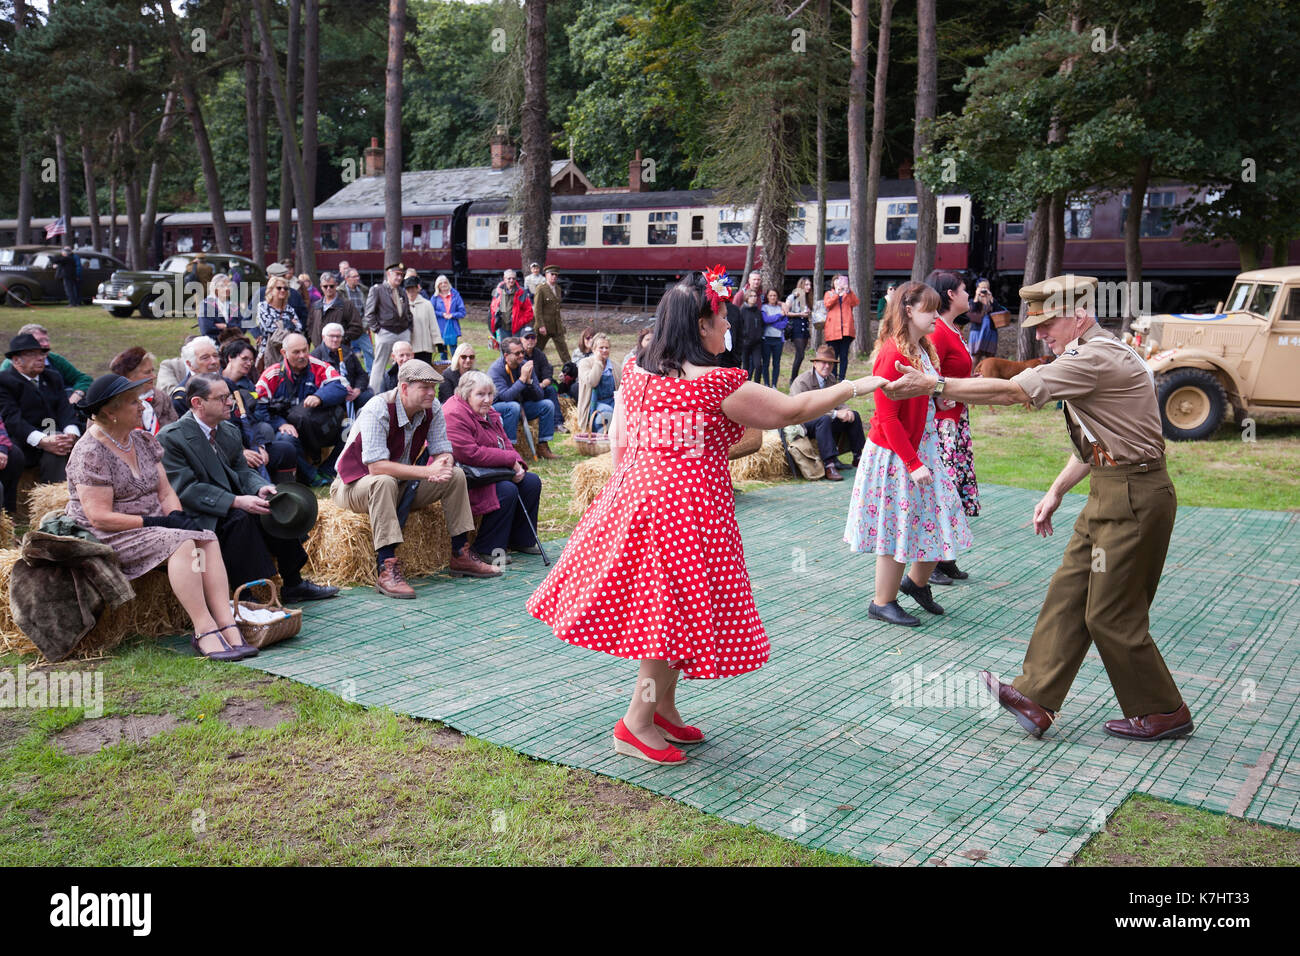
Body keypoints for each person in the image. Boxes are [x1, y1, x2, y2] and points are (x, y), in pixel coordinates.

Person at [526, 268, 886, 765]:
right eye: (722, 319)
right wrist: (856, 385)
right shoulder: (717, 383)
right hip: (685, 511)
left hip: (644, 498)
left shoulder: (637, 368)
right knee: (668, 620)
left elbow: (622, 439)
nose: (728, 328)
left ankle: (663, 710)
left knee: (672, 614)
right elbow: (792, 408)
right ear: (700, 326)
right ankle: (635, 723)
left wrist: (628, 480)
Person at [885, 274, 1194, 742]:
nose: (1040, 333)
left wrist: (936, 384)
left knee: (1111, 613)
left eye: (1050, 323)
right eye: (1038, 324)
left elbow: (1014, 391)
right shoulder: (1093, 351)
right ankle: (1036, 698)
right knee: (1069, 592)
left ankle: (1163, 711)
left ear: (1080, 315)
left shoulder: (1092, 357)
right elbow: (1101, 440)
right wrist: (1056, 491)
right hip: (1114, 489)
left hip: (1134, 496)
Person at [64, 374, 252, 661]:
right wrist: (159, 524)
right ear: (110, 413)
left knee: (207, 537)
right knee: (181, 543)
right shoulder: (90, 452)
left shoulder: (141, 440)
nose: (142, 407)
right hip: (109, 534)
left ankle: (226, 623)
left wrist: (176, 516)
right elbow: (99, 517)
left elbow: (165, 492)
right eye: (133, 402)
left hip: (150, 526)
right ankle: (204, 630)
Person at [845, 281, 972, 628]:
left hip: (923, 446)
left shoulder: (923, 348)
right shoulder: (893, 352)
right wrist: (912, 463)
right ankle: (881, 601)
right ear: (909, 311)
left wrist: (939, 402)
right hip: (897, 453)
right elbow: (886, 418)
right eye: (929, 309)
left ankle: (916, 584)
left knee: (940, 515)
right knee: (896, 525)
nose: (935, 315)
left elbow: (924, 393)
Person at [159, 373, 339, 602]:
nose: (230, 403)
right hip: (200, 511)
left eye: (229, 396)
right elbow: (186, 490)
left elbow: (243, 470)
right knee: (239, 519)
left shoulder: (228, 430)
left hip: (231, 502)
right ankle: (245, 594)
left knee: (272, 505)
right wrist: (235, 501)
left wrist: (260, 488)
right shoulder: (172, 438)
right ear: (197, 403)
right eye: (222, 398)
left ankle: (293, 582)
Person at [331, 359, 501, 597]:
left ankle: (460, 553)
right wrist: (428, 471)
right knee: (384, 481)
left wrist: (444, 462)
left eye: (433, 387)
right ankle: (387, 566)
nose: (431, 393)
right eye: (424, 387)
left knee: (456, 475)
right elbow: (376, 468)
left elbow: (442, 449)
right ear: (404, 388)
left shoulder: (433, 407)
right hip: (352, 486)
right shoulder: (377, 408)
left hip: (399, 484)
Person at [443, 370, 543, 564]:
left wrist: (518, 463)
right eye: (481, 394)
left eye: (490, 394)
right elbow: (469, 453)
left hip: (487, 470)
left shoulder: (488, 412)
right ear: (466, 394)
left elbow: (505, 442)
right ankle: (488, 548)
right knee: (506, 490)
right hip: (463, 474)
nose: (488, 400)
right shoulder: (453, 413)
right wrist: (508, 461)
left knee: (531, 482)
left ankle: (521, 540)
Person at [926, 271, 980, 586]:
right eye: (964, 290)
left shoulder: (952, 329)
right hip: (943, 424)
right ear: (950, 295)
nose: (968, 295)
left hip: (956, 420)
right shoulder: (939, 332)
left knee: (952, 489)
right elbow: (927, 374)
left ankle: (945, 558)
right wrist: (941, 396)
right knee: (941, 491)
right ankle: (929, 563)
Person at [253, 333, 347, 486]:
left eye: (305, 350)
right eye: (296, 352)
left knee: (350, 430)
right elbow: (258, 409)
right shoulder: (272, 375)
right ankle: (311, 477)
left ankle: (328, 470)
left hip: (318, 427)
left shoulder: (319, 366)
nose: (302, 355)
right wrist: (280, 424)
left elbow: (341, 386)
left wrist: (320, 396)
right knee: (285, 439)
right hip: (291, 430)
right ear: (284, 353)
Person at [0, 333, 81, 483]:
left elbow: (65, 409)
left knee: (85, 443)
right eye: (32, 354)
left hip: (56, 434)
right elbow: (12, 420)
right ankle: (56, 495)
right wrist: (43, 440)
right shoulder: (4, 381)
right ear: (16, 360)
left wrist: (71, 433)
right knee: (56, 452)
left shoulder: (53, 377)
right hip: (24, 440)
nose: (40, 358)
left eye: (42, 353)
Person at [789, 344, 866, 481]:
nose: (827, 366)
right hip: (803, 421)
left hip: (823, 417)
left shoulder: (830, 378)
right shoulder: (803, 381)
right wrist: (836, 414)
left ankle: (858, 457)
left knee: (854, 415)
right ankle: (829, 464)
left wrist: (845, 410)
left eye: (830, 363)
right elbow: (808, 408)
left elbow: (837, 399)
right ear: (815, 363)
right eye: (823, 362)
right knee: (823, 420)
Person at [220, 337, 290, 482]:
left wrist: (259, 445)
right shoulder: (215, 382)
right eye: (244, 358)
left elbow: (255, 416)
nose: (249, 363)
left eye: (251, 360)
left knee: (285, 447)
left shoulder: (249, 385)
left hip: (249, 435)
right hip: (227, 440)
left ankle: (281, 490)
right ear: (230, 358)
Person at [488, 336, 557, 459]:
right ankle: (510, 449)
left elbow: (539, 395)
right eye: (517, 353)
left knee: (547, 405)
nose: (521, 356)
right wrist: (522, 379)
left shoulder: (524, 365)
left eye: (522, 352)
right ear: (506, 356)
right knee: (513, 407)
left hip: (521, 405)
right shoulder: (496, 370)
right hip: (499, 408)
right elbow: (505, 396)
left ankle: (542, 446)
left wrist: (529, 382)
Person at [0, 323, 93, 407]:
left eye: (46, 340)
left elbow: (83, 379)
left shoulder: (54, 360)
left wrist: (76, 396)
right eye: (40, 341)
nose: (46, 344)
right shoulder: (9, 368)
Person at [365, 263, 413, 394]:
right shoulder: (377, 290)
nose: (399, 278)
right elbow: (369, 313)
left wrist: (409, 329)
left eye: (401, 275)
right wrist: (378, 330)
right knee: (379, 365)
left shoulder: (402, 292)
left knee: (406, 364)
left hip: (403, 333)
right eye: (397, 274)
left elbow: (408, 313)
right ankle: (373, 395)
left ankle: (405, 391)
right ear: (388, 274)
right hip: (385, 332)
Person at [109, 346, 176, 435]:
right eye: (147, 372)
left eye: (152, 371)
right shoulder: (109, 404)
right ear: (128, 376)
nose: (154, 376)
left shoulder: (162, 398)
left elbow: (174, 433)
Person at [313, 322, 373, 412]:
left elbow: (362, 374)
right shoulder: (316, 358)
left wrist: (357, 389)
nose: (335, 339)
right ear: (323, 337)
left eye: (338, 336)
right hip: (330, 397)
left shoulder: (348, 352)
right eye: (331, 336)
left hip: (353, 394)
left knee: (369, 397)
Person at [159, 336, 221, 418]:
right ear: (190, 364)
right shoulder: (183, 395)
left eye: (215, 356)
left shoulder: (227, 383)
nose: (213, 361)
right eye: (205, 358)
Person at [520, 326, 565, 433]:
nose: (530, 340)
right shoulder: (519, 355)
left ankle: (557, 423)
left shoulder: (540, 354)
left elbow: (548, 376)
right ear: (521, 340)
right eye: (527, 338)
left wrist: (541, 385)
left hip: (539, 387)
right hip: (524, 390)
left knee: (551, 389)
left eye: (533, 337)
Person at [255, 274, 305, 369]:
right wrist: (289, 324)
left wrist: (280, 324)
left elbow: (299, 328)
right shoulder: (263, 307)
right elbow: (270, 327)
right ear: (271, 290)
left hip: (289, 352)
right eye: (279, 288)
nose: (283, 290)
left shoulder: (289, 309)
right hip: (269, 352)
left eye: (285, 288)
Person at [306, 271, 364, 349]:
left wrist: (340, 339)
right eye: (325, 286)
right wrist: (313, 338)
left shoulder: (347, 305)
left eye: (331, 286)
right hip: (319, 350)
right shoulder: (315, 306)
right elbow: (309, 326)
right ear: (321, 286)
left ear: (336, 285)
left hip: (340, 350)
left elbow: (357, 327)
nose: (328, 289)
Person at [576, 332, 617, 434]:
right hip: (593, 403)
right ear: (593, 349)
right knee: (607, 413)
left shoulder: (615, 366)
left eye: (607, 348)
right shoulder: (585, 363)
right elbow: (592, 382)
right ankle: (602, 442)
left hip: (612, 400)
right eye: (601, 348)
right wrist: (598, 362)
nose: (604, 350)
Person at [823, 273, 860, 383]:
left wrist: (848, 291)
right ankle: (833, 377)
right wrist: (837, 294)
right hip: (833, 330)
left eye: (841, 281)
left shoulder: (848, 294)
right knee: (834, 355)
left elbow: (855, 302)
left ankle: (842, 377)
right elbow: (827, 305)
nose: (839, 284)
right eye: (836, 281)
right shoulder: (829, 293)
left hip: (846, 330)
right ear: (833, 283)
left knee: (844, 355)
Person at [966, 277, 1008, 363]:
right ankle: (972, 375)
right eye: (982, 288)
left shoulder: (992, 300)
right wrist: (976, 298)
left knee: (990, 357)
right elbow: (971, 311)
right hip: (977, 332)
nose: (984, 290)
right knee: (975, 357)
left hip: (990, 331)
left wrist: (992, 300)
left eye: (987, 288)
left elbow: (999, 312)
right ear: (977, 288)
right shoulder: (973, 301)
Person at [532, 266, 569, 361]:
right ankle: (531, 367)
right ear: (546, 275)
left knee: (563, 349)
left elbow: (557, 309)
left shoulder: (558, 288)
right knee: (537, 350)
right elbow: (537, 309)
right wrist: (540, 325)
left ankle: (570, 370)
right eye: (552, 274)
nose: (554, 276)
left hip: (556, 326)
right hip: (544, 326)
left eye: (556, 275)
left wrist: (560, 325)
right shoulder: (541, 289)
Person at [488, 269, 533, 347]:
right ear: (504, 279)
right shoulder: (499, 291)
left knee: (517, 350)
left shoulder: (521, 292)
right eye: (509, 278)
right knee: (504, 350)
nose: (511, 280)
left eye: (513, 278)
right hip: (503, 327)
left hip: (517, 328)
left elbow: (529, 312)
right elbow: (493, 308)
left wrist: (520, 322)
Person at [405, 275, 442, 364]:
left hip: (425, 347)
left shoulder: (427, 304)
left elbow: (433, 325)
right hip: (409, 347)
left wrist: (438, 342)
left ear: (418, 288)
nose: (411, 291)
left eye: (413, 288)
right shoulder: (403, 305)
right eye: (408, 288)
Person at [341, 267, 372, 370]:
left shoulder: (363, 291)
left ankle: (371, 374)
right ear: (347, 278)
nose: (357, 278)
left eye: (358, 276)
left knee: (369, 351)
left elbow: (368, 310)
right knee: (346, 352)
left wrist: (363, 325)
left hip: (362, 327)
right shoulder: (340, 292)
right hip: (347, 327)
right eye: (354, 276)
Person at [198, 273, 246, 339]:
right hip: (214, 343)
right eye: (222, 286)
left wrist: (225, 326)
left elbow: (242, 328)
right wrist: (233, 329)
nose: (227, 288)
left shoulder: (233, 306)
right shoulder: (206, 304)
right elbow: (207, 330)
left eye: (229, 286)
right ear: (215, 288)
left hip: (235, 342)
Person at [785, 277, 813, 380]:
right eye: (806, 285)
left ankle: (794, 378)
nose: (809, 287)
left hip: (804, 326)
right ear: (801, 285)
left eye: (809, 285)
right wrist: (799, 314)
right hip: (796, 326)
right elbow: (786, 312)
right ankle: (793, 379)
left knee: (801, 355)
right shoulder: (793, 297)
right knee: (800, 354)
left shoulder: (807, 298)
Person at [760, 288, 789, 388]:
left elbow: (784, 324)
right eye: (771, 295)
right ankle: (767, 384)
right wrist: (778, 316)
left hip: (778, 339)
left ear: (777, 297)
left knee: (776, 363)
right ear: (767, 296)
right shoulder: (764, 307)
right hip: (767, 339)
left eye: (775, 295)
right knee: (766, 363)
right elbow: (765, 320)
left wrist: (772, 322)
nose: (773, 297)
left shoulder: (781, 308)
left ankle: (774, 385)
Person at [431, 275, 466, 354]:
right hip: (440, 328)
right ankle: (443, 366)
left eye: (445, 282)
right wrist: (441, 314)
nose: (443, 285)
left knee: (454, 351)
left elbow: (462, 312)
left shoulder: (456, 295)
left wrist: (452, 315)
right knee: (442, 352)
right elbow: (430, 311)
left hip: (452, 327)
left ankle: (455, 366)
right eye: (441, 283)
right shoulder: (435, 297)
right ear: (437, 285)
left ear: (448, 283)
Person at [737, 289, 764, 382]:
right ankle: (745, 386)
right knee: (746, 367)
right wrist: (744, 337)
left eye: (755, 296)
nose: (753, 298)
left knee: (758, 365)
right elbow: (740, 326)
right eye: (751, 296)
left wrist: (760, 335)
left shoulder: (757, 311)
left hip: (757, 343)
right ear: (746, 298)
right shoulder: (742, 310)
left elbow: (761, 324)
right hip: (746, 343)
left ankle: (757, 385)